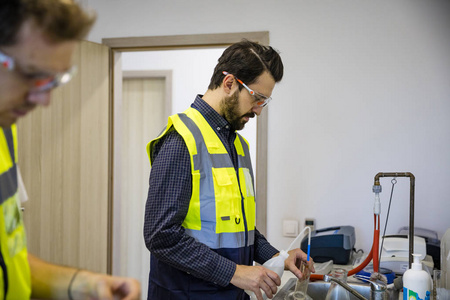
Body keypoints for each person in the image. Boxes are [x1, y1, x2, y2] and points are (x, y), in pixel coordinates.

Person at [144, 40, 314, 300]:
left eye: (264, 102)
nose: (258, 110)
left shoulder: (238, 145)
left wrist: (277, 257)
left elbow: (236, 227)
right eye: (256, 98)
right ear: (229, 83)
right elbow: (160, 236)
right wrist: (236, 272)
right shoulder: (182, 139)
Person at [0, 0, 140, 299]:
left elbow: (11, 257)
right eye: (31, 74)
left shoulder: (4, 131)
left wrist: (84, 284)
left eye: (53, 81)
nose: (43, 100)